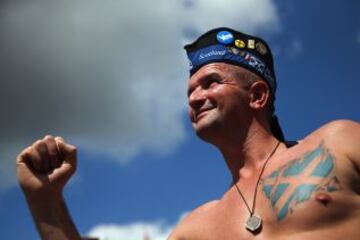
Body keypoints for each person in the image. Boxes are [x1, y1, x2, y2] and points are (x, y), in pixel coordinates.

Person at [16, 27, 360, 240]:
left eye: (211, 82)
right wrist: (45, 201)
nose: (195, 97)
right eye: (190, 91)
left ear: (257, 95)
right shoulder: (196, 229)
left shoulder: (338, 143)